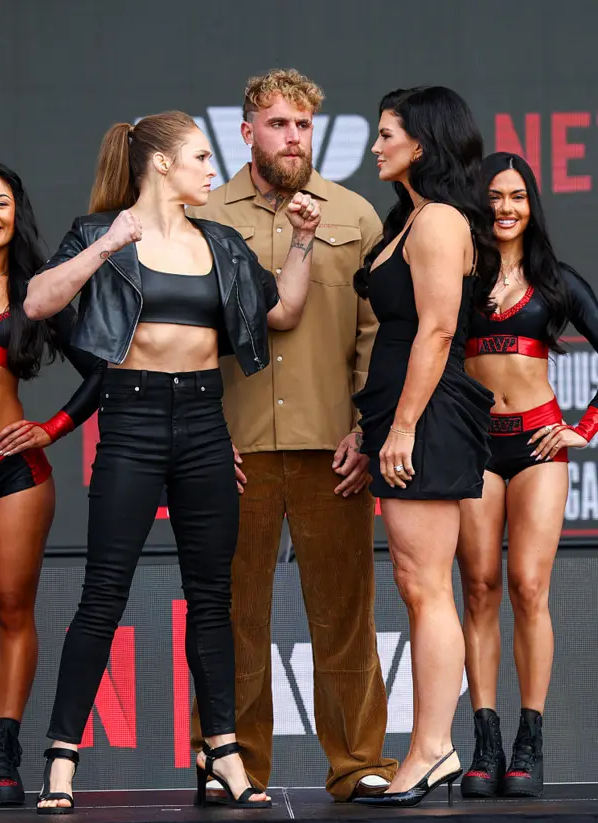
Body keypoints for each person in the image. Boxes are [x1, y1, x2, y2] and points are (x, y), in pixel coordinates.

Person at [22, 110, 320, 814]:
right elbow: (37, 300)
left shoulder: (218, 240)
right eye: (199, 157)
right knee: (103, 595)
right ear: (160, 164)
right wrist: (106, 247)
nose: (210, 170)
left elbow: (281, 311)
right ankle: (61, 757)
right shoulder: (100, 233)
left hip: (203, 423)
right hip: (130, 419)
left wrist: (304, 241)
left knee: (211, 598)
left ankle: (223, 751)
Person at [187, 68, 397, 803]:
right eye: (277, 125)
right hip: (231, 447)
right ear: (245, 132)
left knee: (346, 615)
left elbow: (378, 333)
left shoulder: (356, 215)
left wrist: (368, 428)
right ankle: (231, 765)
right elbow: (183, 336)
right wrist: (205, 436)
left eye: (303, 126)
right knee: (231, 615)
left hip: (332, 447)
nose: (292, 138)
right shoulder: (203, 215)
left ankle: (360, 762)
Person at [350, 86, 499, 809]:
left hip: (430, 416)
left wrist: (403, 426)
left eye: (386, 134)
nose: (375, 145)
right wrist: (370, 426)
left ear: (423, 142)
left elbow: (438, 331)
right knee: (416, 582)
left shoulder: (438, 219)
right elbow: (403, 338)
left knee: (425, 583)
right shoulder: (409, 219)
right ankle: (430, 747)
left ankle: (433, 748)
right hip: (402, 411)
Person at [0, 161, 104, 808]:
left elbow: (101, 367)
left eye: (0, 202)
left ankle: (4, 751)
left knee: (13, 608)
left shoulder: (37, 290)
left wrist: (52, 427)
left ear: (17, 212)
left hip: (17, 471)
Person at [457, 151, 598, 799]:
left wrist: (585, 427)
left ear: (530, 203)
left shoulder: (556, 281)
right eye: (494, 198)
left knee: (528, 584)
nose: (506, 208)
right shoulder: (459, 276)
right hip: (477, 446)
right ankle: (484, 741)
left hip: (540, 445)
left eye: (516, 197)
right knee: (480, 586)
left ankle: (529, 740)